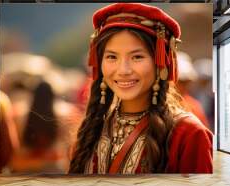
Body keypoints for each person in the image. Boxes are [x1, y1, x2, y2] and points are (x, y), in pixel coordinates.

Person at [68, 3, 213, 174]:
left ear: (160, 63)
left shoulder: (189, 134)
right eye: (111, 57)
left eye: (137, 57)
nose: (123, 70)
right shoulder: (90, 130)